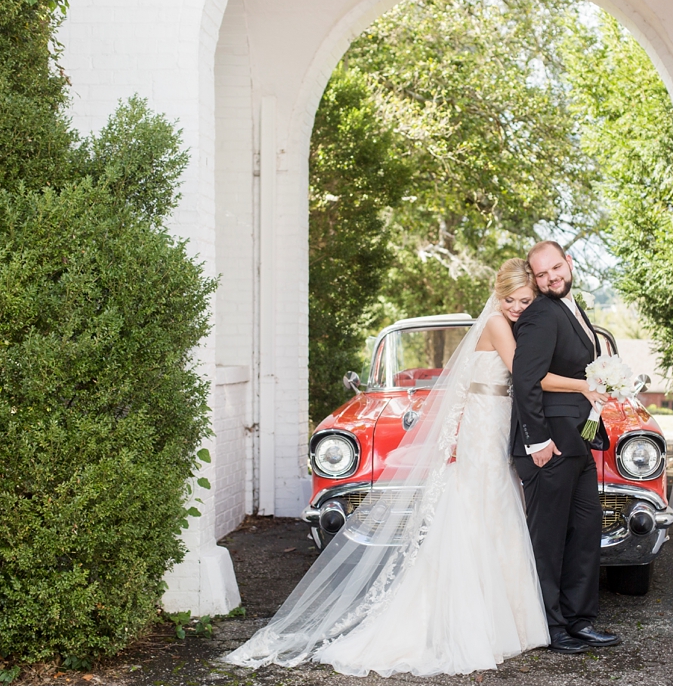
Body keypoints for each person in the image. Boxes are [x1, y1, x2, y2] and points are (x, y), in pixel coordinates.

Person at [223, 258, 600, 676]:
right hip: (486, 425)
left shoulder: (512, 326)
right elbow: (528, 375)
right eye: (509, 298)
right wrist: (586, 383)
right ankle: (476, 618)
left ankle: (505, 615)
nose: (516, 307)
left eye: (524, 300)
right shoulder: (497, 324)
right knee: (483, 507)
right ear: (497, 295)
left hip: (494, 421)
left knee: (496, 509)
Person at [510, 240, 621, 654]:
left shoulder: (572, 308)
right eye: (541, 274)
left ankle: (580, 620)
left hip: (577, 439)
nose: (551, 278)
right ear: (535, 279)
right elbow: (526, 379)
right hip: (550, 444)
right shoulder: (541, 313)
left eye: (555, 268)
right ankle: (551, 626)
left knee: (584, 532)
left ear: (568, 263)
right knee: (549, 539)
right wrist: (536, 440)